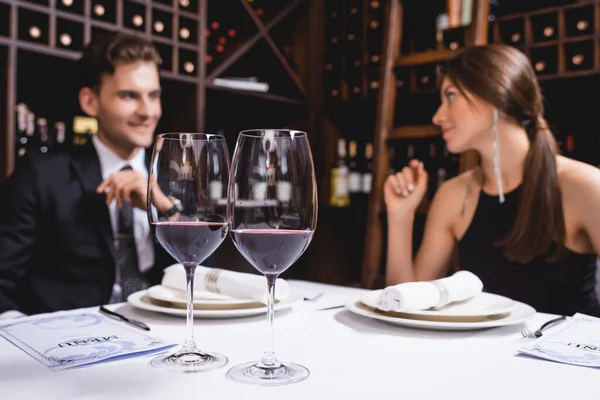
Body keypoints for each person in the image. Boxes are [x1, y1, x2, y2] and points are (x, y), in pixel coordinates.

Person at [384, 44, 600, 316]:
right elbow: (406, 308)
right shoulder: (453, 195)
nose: (437, 116)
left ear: (495, 92)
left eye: (450, 96)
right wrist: (400, 217)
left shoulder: (585, 186)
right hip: (481, 357)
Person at [0, 32, 177, 318]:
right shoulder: (40, 174)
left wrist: (162, 207)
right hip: (68, 342)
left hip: (162, 332)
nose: (147, 111)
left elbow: (206, 276)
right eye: (129, 95)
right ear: (90, 101)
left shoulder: (176, 177)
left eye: (153, 96)